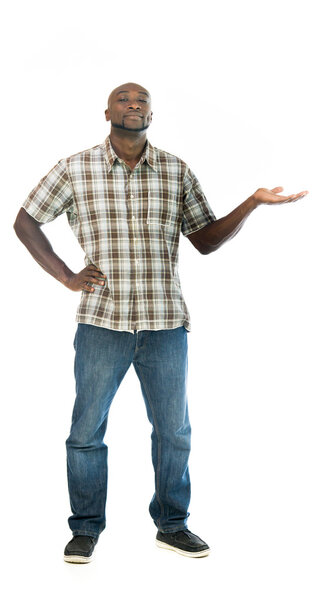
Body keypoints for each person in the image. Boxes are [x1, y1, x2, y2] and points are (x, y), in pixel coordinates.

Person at [13, 82, 308, 563]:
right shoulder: (74, 167)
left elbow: (206, 240)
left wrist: (251, 203)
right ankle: (86, 529)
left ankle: (172, 525)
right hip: (101, 323)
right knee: (85, 432)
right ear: (106, 110)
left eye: (142, 100)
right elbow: (25, 221)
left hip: (165, 324)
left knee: (173, 432)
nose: (134, 105)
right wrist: (66, 276)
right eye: (124, 99)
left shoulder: (175, 170)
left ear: (152, 112)